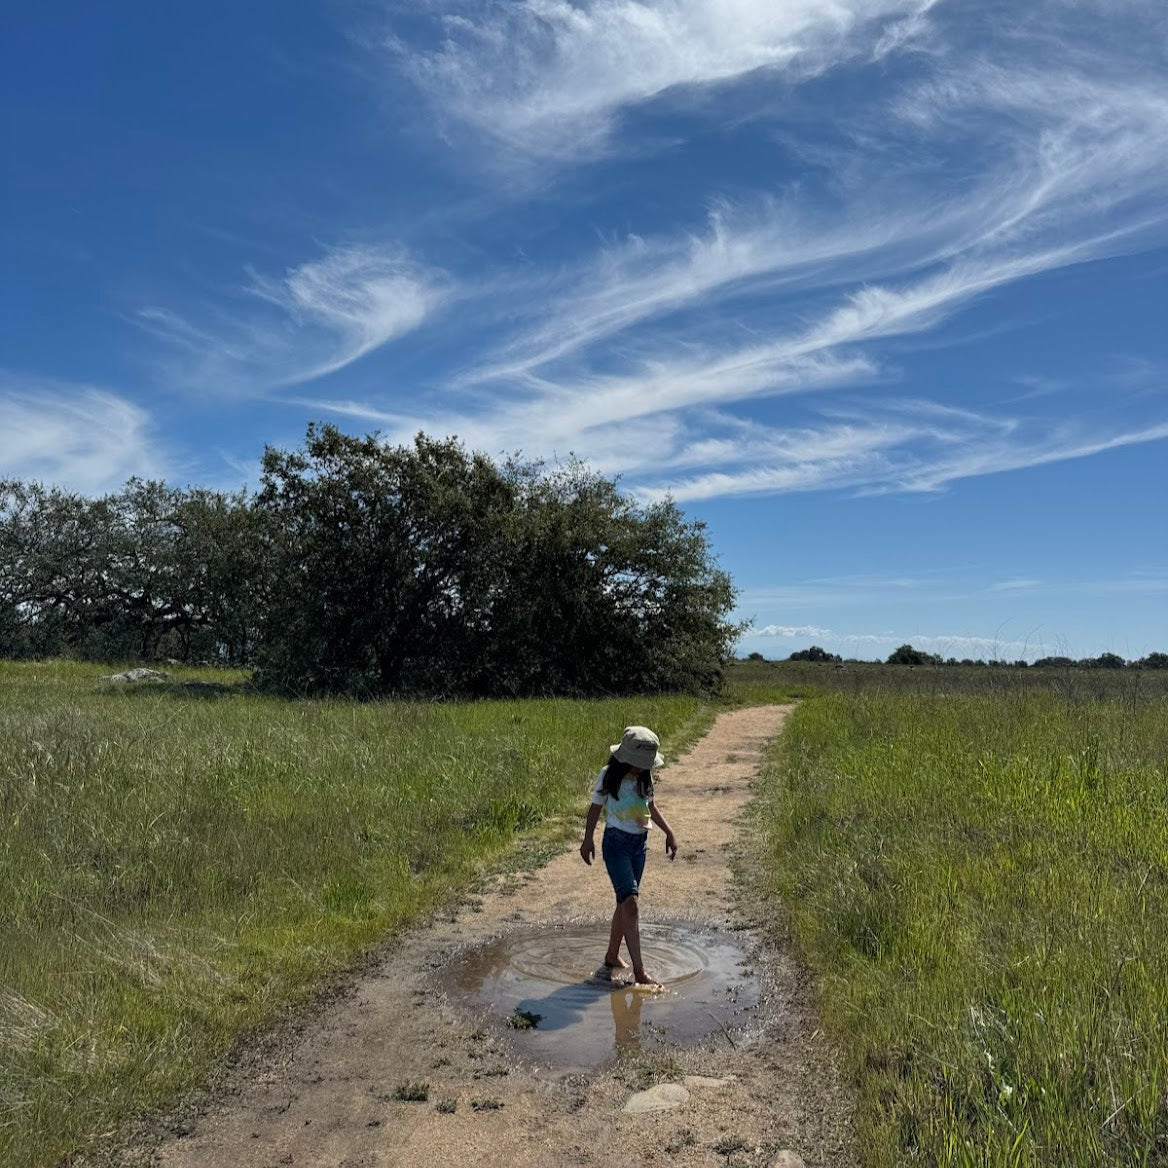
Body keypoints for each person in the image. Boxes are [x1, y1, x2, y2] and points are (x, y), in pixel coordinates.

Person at [579, 725, 678, 988]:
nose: (639, 768)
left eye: (643, 764)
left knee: (625, 904)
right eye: (636, 763)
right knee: (631, 904)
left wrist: (669, 831)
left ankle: (612, 956)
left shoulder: (645, 778)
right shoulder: (607, 776)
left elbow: (651, 807)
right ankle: (640, 972)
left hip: (638, 847)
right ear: (624, 757)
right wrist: (587, 839)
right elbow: (594, 809)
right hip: (616, 845)